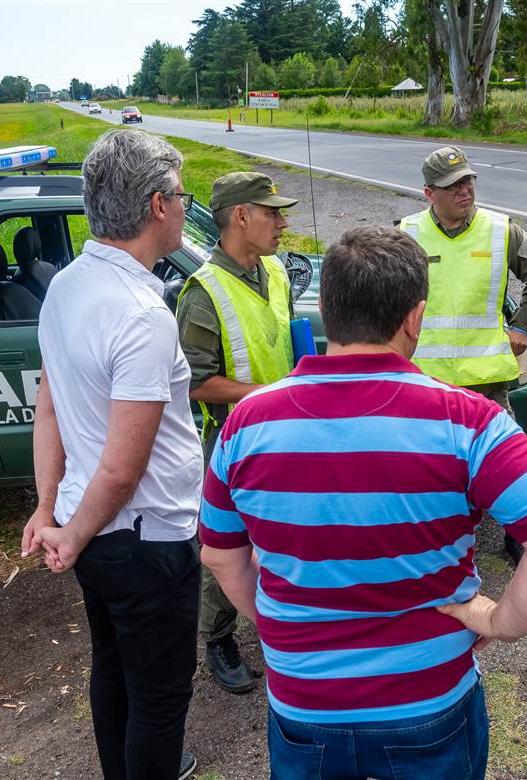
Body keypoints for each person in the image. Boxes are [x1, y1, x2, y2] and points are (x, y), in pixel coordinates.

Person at [200, 226, 527, 780]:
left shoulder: (248, 421)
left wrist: (282, 625)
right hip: (428, 704)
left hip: (303, 707)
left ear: (330, 312)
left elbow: (220, 554)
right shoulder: (468, 421)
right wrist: (501, 621)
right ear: (414, 316)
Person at [21, 129, 202, 780]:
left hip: (93, 534)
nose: (185, 206)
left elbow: (49, 408)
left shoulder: (65, 287)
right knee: (159, 700)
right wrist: (68, 530)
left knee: (114, 670)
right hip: (145, 544)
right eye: (182, 196)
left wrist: (51, 512)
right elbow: (124, 468)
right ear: (157, 205)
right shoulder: (140, 312)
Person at [399, 145, 527, 564]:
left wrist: (524, 325)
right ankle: (433, 540)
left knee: (503, 459)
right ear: (429, 193)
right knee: (428, 466)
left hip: (485, 376)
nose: (464, 190)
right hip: (425, 378)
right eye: (453, 186)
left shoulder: (501, 229)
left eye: (468, 180)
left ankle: (516, 532)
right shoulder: (406, 234)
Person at [174, 171, 298, 695]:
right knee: (227, 539)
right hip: (233, 439)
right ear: (241, 217)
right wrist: (266, 395)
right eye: (272, 213)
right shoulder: (202, 293)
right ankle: (217, 638)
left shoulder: (276, 271)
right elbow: (195, 383)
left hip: (288, 428)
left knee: (284, 532)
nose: (282, 222)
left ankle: (282, 621)